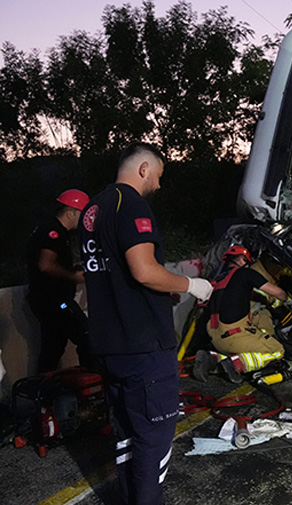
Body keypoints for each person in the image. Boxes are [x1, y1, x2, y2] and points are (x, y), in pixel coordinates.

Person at [78, 142, 213, 505]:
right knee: (153, 441)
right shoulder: (132, 204)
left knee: (126, 436)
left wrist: (161, 291)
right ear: (143, 169)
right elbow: (143, 270)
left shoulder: (93, 209)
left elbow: (118, 274)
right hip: (144, 347)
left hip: (108, 345)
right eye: (158, 175)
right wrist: (191, 284)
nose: (158, 184)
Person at [194, 245, 288, 383]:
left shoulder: (216, 280)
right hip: (235, 335)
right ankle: (237, 364)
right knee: (277, 351)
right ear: (242, 259)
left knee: (241, 348)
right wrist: (287, 298)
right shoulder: (246, 273)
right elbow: (278, 293)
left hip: (215, 338)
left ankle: (213, 358)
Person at [26, 189, 90, 372]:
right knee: (86, 334)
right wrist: (73, 276)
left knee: (52, 347)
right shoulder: (53, 232)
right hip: (56, 301)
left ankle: (45, 392)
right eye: (82, 214)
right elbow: (45, 265)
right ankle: (90, 382)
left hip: (47, 300)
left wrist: (71, 268)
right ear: (71, 212)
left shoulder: (51, 230)